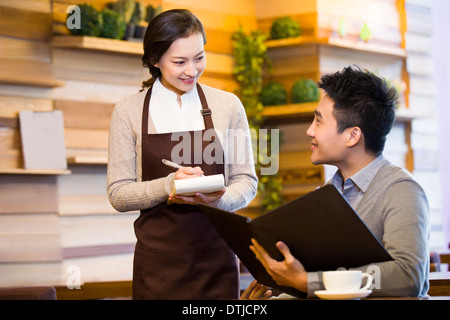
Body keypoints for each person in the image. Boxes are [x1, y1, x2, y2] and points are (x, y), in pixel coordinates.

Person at [242, 66, 430, 299]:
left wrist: (309, 282)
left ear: (352, 136)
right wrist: (277, 290)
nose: (310, 131)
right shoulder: (327, 193)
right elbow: (313, 273)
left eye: (319, 122)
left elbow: (406, 275)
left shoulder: (402, 190)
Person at [107, 9, 257, 300]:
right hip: (159, 265)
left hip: (218, 259)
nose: (192, 70)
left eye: (199, 57)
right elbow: (118, 194)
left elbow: (246, 181)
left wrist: (218, 198)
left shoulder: (228, 105)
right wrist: (168, 185)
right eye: (179, 62)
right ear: (154, 60)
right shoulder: (128, 112)